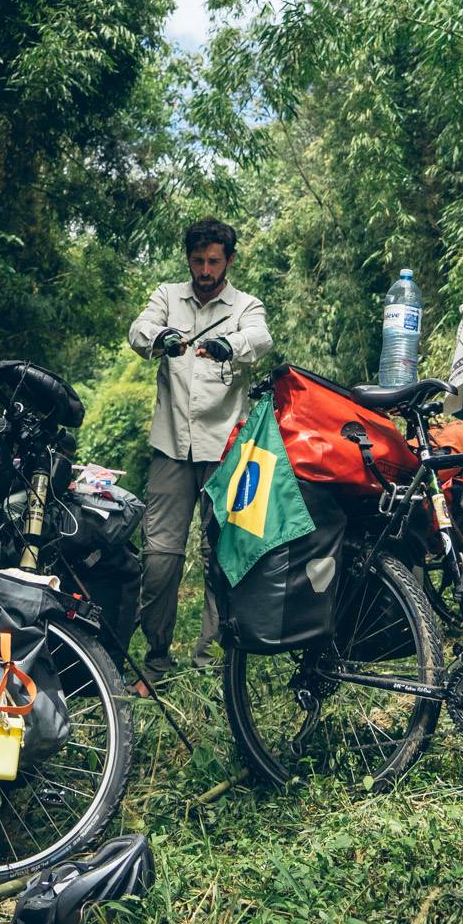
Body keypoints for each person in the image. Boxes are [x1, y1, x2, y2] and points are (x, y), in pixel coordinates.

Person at [126, 217, 272, 694]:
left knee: (221, 557)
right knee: (159, 557)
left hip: (226, 450)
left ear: (229, 260)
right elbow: (139, 329)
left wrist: (230, 345)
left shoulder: (246, 306)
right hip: (170, 446)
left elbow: (261, 339)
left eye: (213, 261)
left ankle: (211, 661)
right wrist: (161, 339)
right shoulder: (167, 296)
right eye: (197, 261)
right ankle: (155, 660)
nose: (205, 271)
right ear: (187, 260)